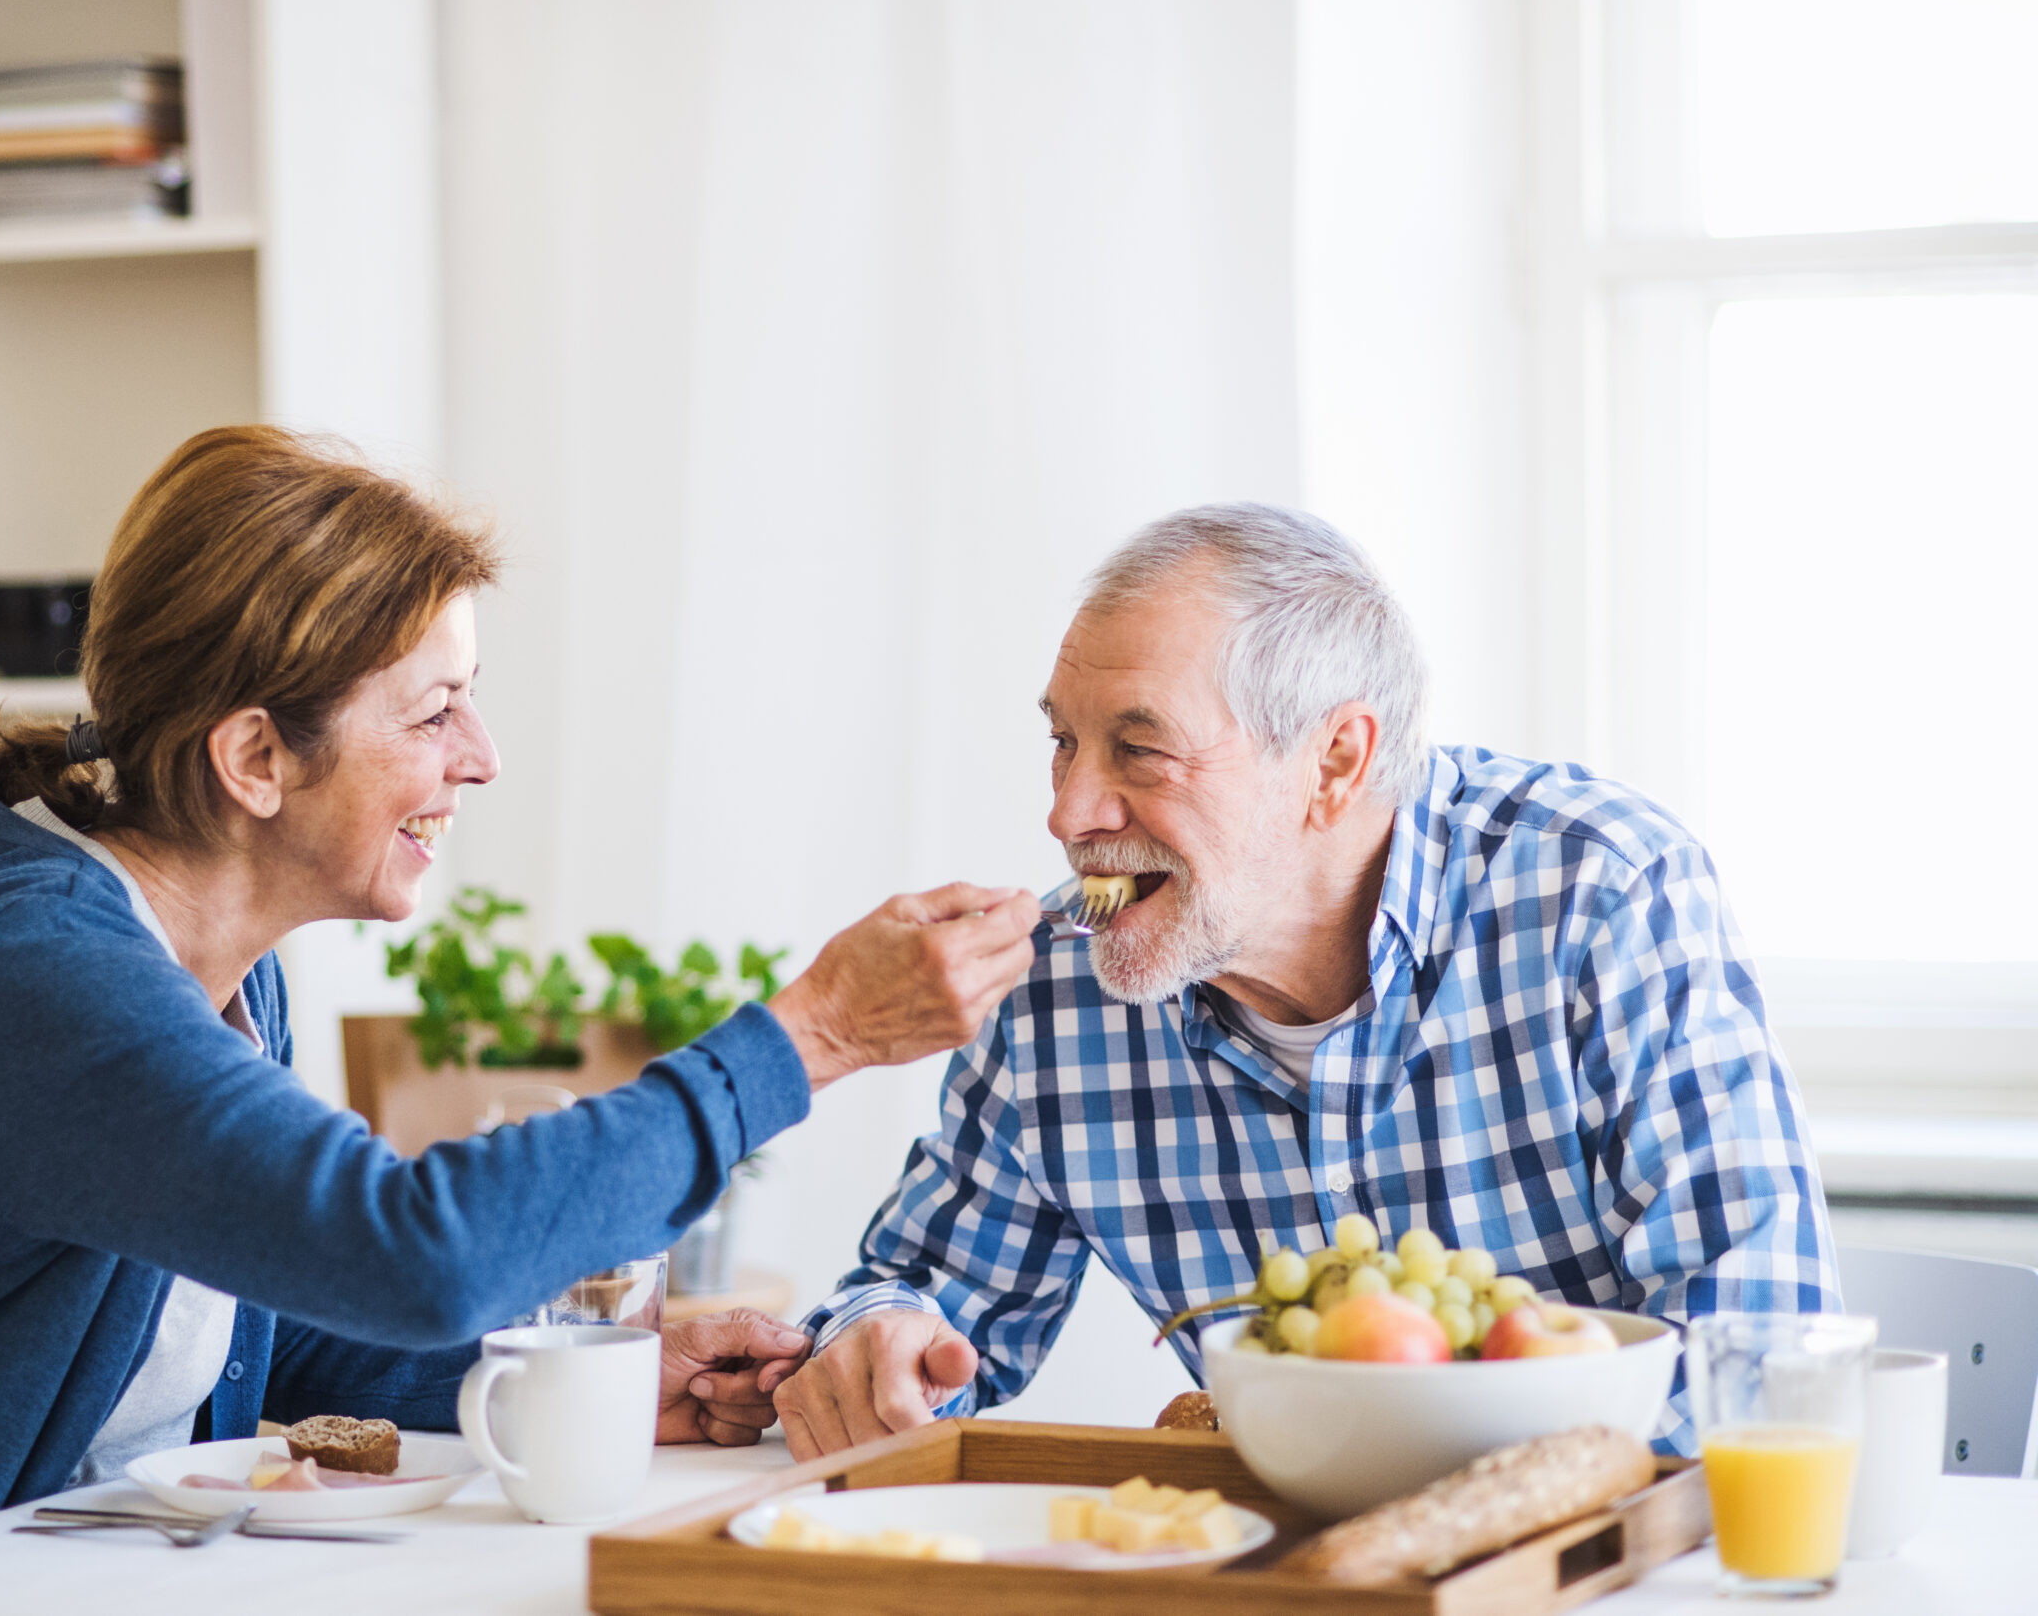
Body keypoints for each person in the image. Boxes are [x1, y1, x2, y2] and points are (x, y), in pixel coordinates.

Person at [0, 427, 1040, 1616]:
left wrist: (575, 1372)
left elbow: (288, 1347)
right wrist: (814, 1034)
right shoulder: (26, 973)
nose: (484, 757)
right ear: (254, 754)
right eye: (434, 709)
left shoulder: (221, 965)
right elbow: (411, 1245)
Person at [766, 502, 1833, 1462]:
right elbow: (924, 1300)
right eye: (1063, 742)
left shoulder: (1597, 890)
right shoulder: (1053, 985)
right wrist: (879, 1345)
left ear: (1334, 763)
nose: (1069, 812)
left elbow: (1757, 1357)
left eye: (1140, 750)